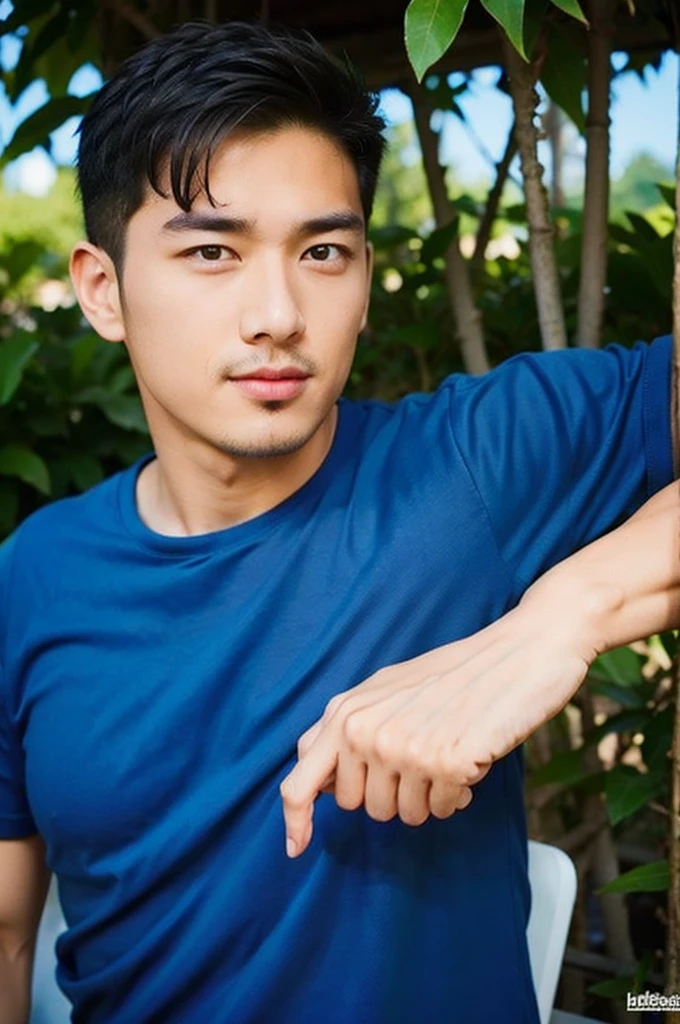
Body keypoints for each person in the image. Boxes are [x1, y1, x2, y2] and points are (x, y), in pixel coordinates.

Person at [0, 18, 677, 1024]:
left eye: (322, 249)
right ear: (104, 289)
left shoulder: (468, 465)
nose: (277, 311)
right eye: (211, 252)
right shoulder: (34, 572)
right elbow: (11, 931)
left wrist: (558, 617)